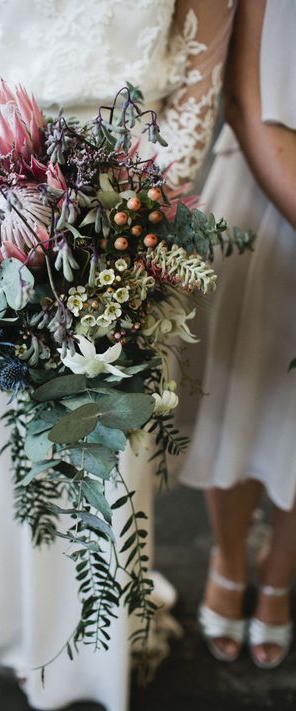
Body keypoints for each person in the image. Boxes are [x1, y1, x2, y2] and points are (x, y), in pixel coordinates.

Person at [0, 1, 235, 708]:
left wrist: (125, 222)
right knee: (11, 444)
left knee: (110, 440)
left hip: (129, 221)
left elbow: (198, 87)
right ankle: (15, 617)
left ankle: (96, 647)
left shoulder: (130, 221)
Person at [180, 0, 296, 670]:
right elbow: (245, 100)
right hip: (262, 182)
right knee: (238, 406)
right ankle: (229, 554)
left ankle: (280, 568)